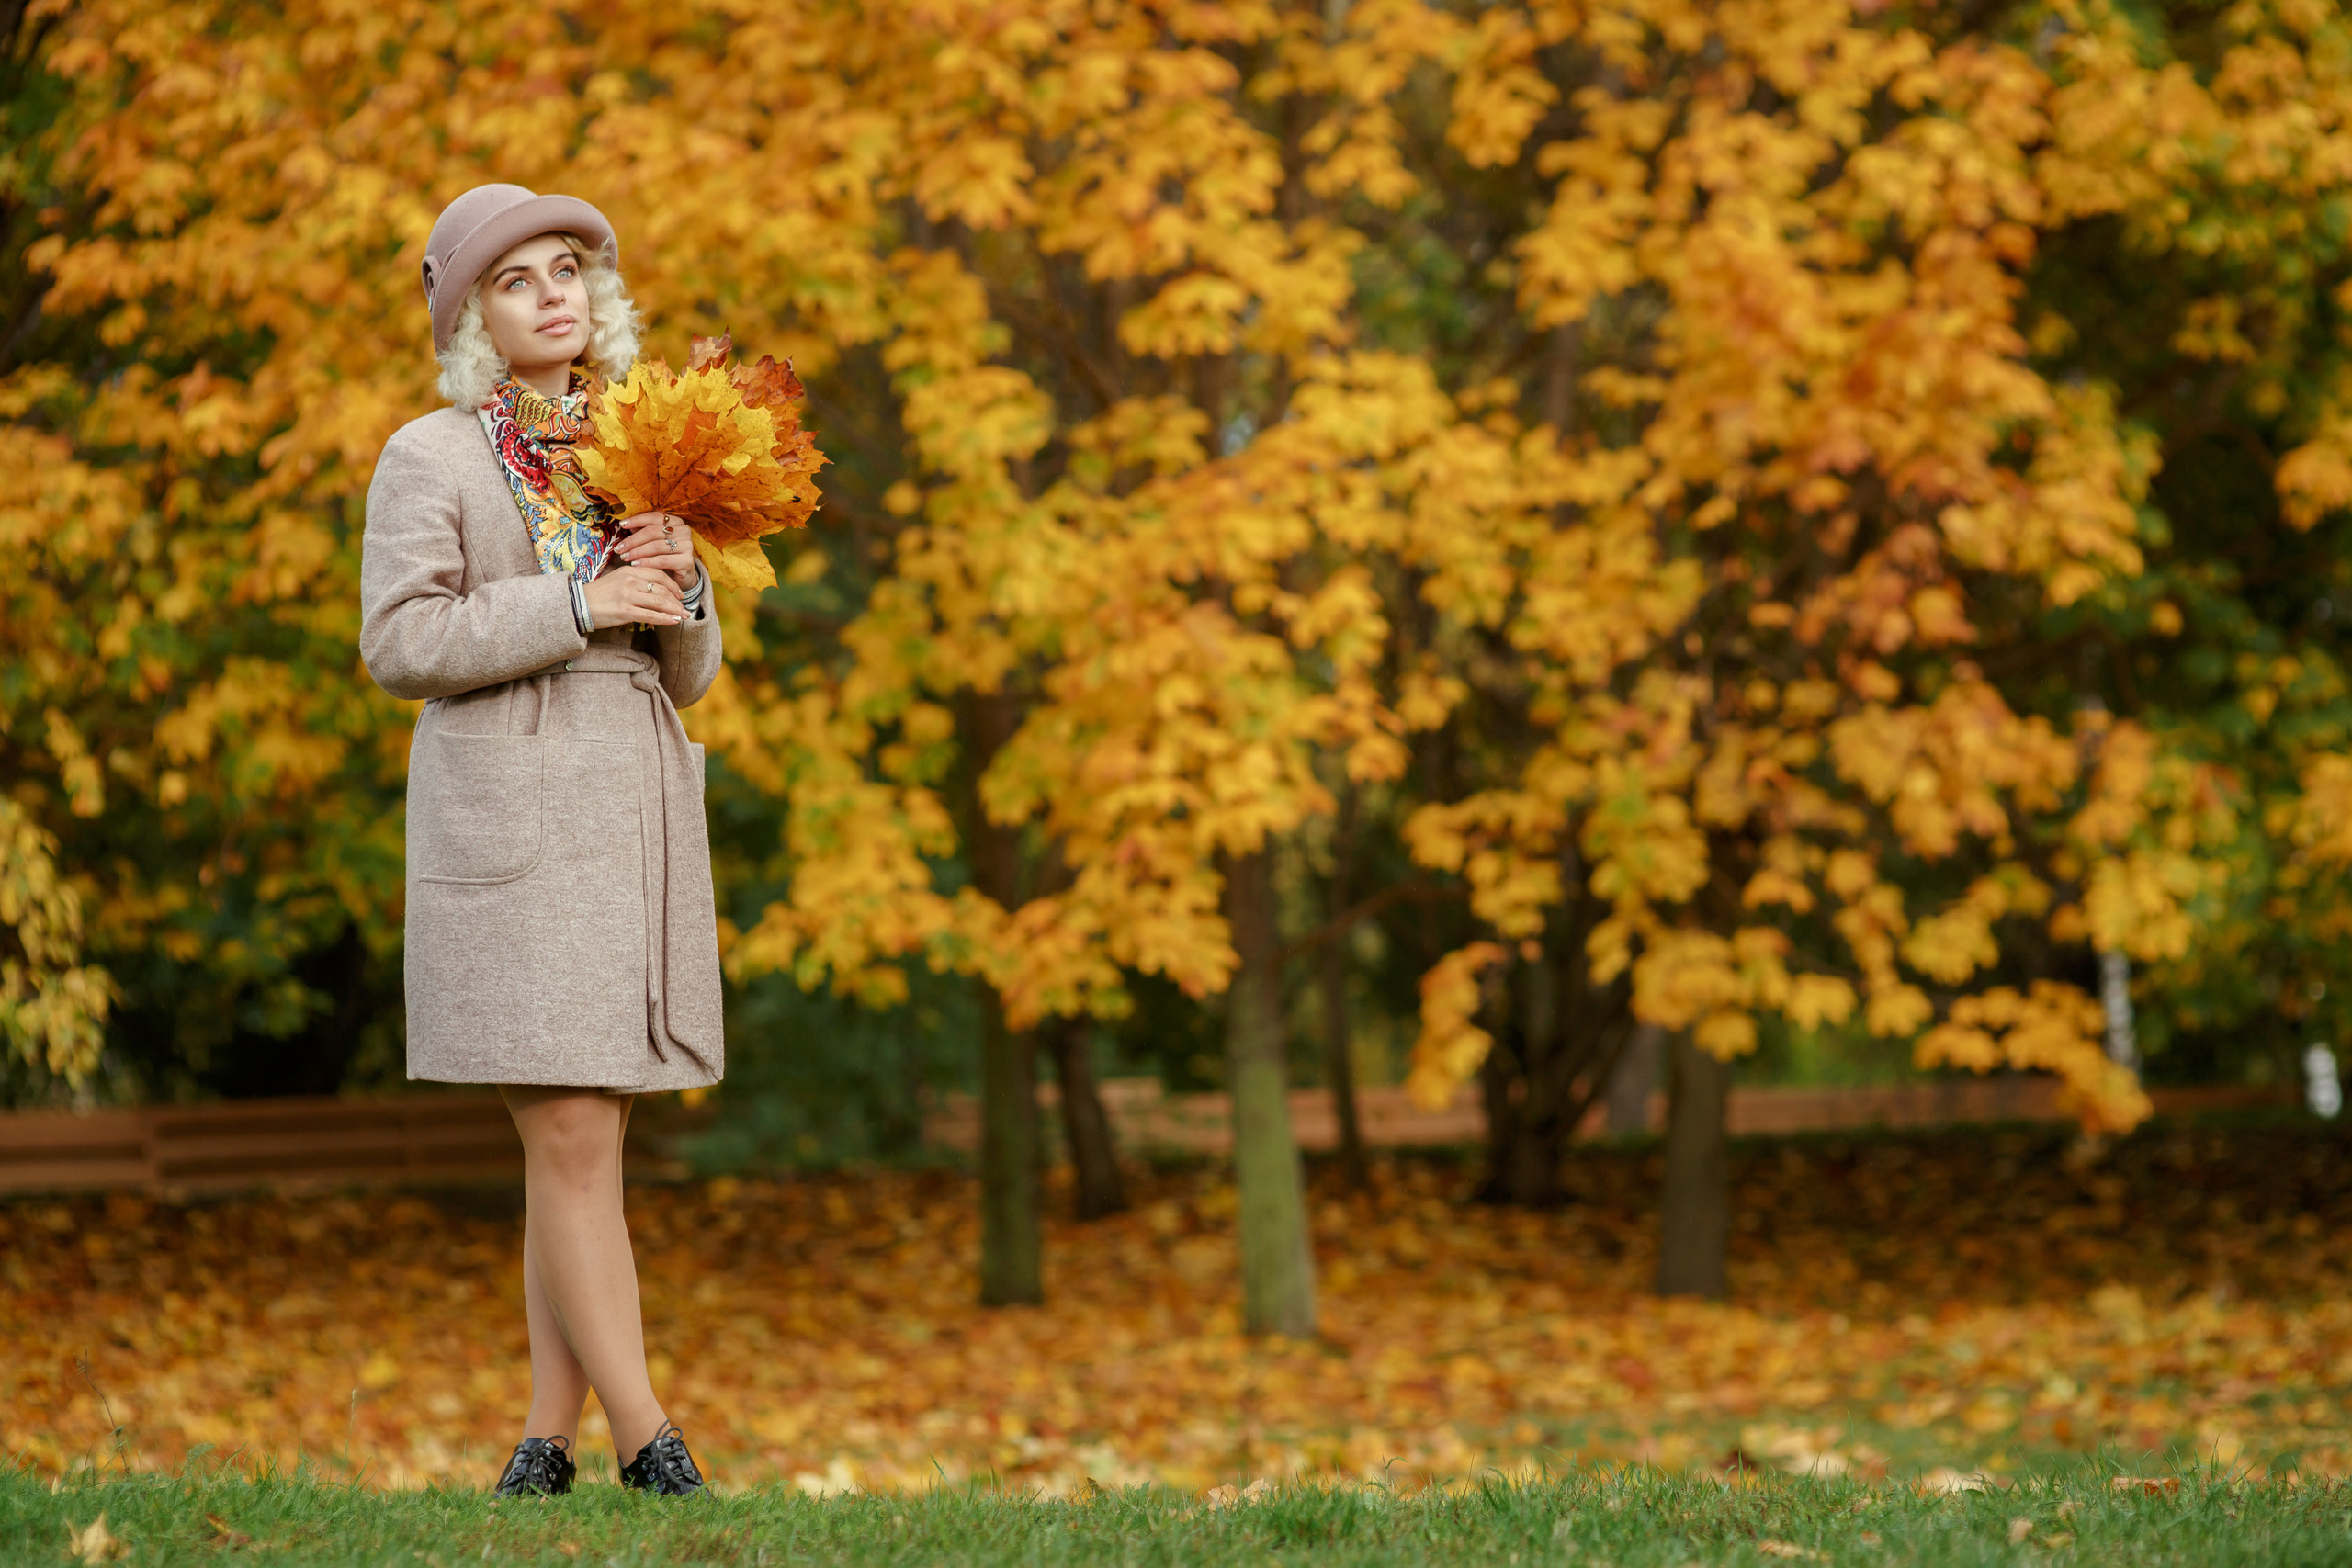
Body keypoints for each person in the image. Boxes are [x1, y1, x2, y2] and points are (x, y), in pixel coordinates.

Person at [358, 184, 721, 1498]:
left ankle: (541, 1444)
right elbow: (401, 643)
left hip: (628, 809)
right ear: (473, 315)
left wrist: (679, 577)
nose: (555, 292)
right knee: (568, 1135)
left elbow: (689, 673)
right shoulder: (432, 457)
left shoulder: (642, 443)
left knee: (581, 1146)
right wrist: (576, 598)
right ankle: (650, 1441)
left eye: (569, 268)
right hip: (507, 816)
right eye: (518, 280)